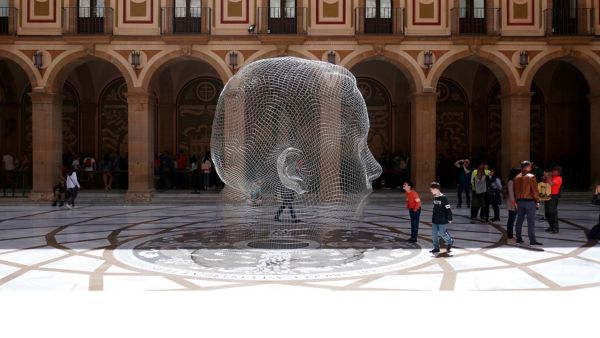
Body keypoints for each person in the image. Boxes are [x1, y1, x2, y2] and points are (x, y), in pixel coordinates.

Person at [514, 160, 542, 246]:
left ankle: (518, 239)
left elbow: (515, 191)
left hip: (520, 202)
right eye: (529, 166)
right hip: (530, 202)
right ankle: (532, 241)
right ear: (526, 167)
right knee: (531, 222)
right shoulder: (531, 176)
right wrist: (537, 200)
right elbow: (534, 190)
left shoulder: (516, 177)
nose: (531, 167)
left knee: (519, 220)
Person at [429, 182, 454, 254]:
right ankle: (436, 248)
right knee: (434, 235)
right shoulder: (434, 197)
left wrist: (450, 218)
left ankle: (450, 241)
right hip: (435, 219)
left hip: (442, 219)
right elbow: (434, 208)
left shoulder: (443, 198)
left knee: (443, 233)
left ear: (436, 189)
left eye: (431, 189)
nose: (431, 191)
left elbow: (448, 208)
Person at [544, 166, 563, 234]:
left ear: (558, 172)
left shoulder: (559, 178)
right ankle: (551, 226)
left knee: (552, 212)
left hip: (553, 196)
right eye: (553, 170)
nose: (553, 172)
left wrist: (547, 177)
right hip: (547, 195)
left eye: (555, 171)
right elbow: (545, 184)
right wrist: (545, 177)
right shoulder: (552, 177)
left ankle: (555, 228)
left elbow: (551, 184)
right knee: (547, 212)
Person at [505, 168, 520, 240]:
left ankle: (510, 234)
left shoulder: (515, 181)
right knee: (511, 219)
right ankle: (510, 235)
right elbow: (511, 195)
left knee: (512, 219)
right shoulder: (511, 182)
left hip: (515, 203)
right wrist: (515, 204)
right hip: (512, 203)